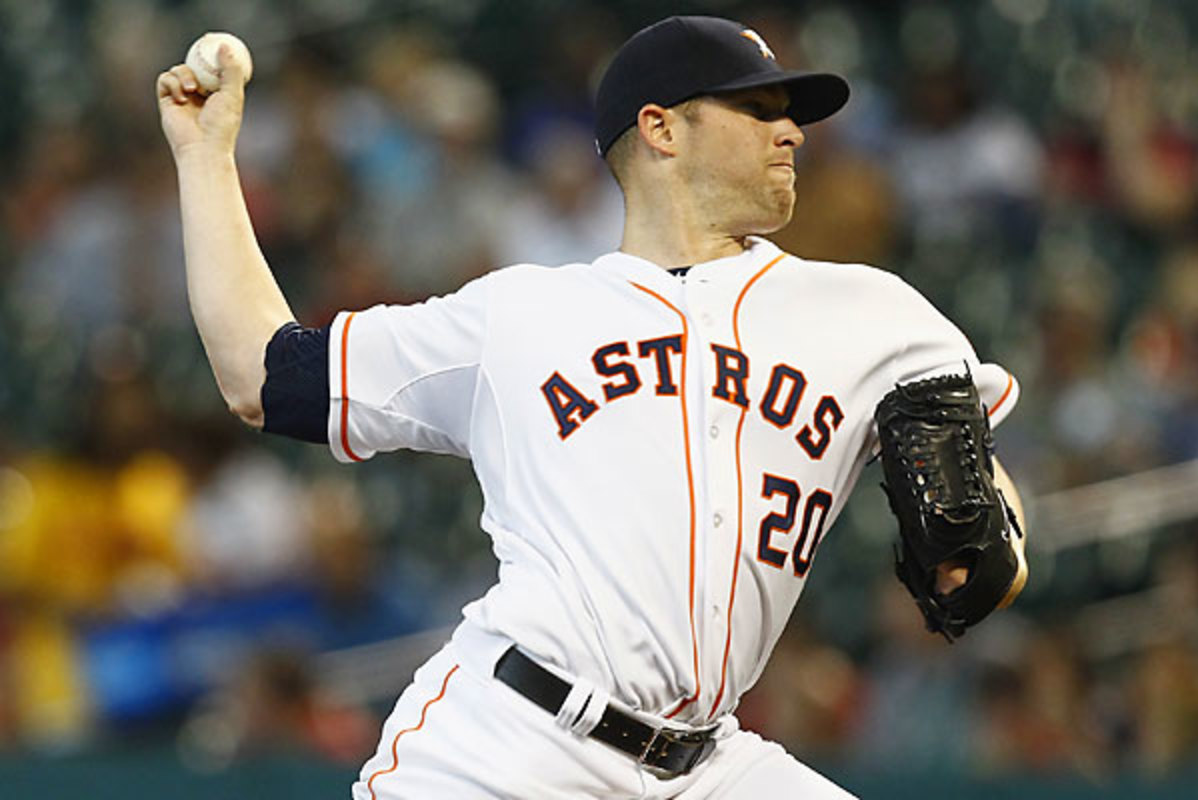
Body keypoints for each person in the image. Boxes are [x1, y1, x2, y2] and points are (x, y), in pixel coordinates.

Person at [157, 15, 1027, 799]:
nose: (791, 130)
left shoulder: (875, 316)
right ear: (661, 129)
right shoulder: (518, 316)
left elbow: (978, 489)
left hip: (711, 761)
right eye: (757, 109)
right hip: (510, 745)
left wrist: (992, 536)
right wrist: (206, 159)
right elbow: (262, 375)